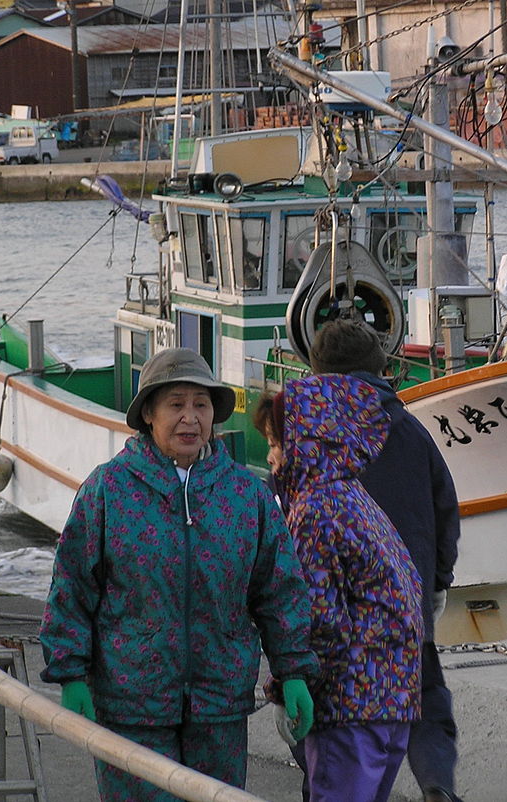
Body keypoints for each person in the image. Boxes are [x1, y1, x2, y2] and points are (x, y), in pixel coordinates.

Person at [39, 348, 318, 801]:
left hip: (220, 710)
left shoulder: (247, 496)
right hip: (131, 709)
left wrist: (295, 673)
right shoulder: (107, 491)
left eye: (201, 405)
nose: (190, 418)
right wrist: (70, 674)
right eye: (176, 404)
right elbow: (71, 587)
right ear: (148, 413)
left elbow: (279, 593)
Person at [309, 318, 463, 802]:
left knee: (325, 715)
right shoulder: (411, 430)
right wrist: (437, 582)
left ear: (315, 372)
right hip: (405, 602)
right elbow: (445, 509)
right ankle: (436, 784)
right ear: (381, 369)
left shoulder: (307, 434)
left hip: (337, 612)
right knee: (423, 696)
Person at [254, 374, 423, 802]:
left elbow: (319, 620)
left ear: (306, 443)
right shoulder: (354, 496)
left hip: (348, 708)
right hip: (392, 701)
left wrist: (284, 687)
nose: (271, 458)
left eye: (276, 443)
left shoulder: (313, 511)